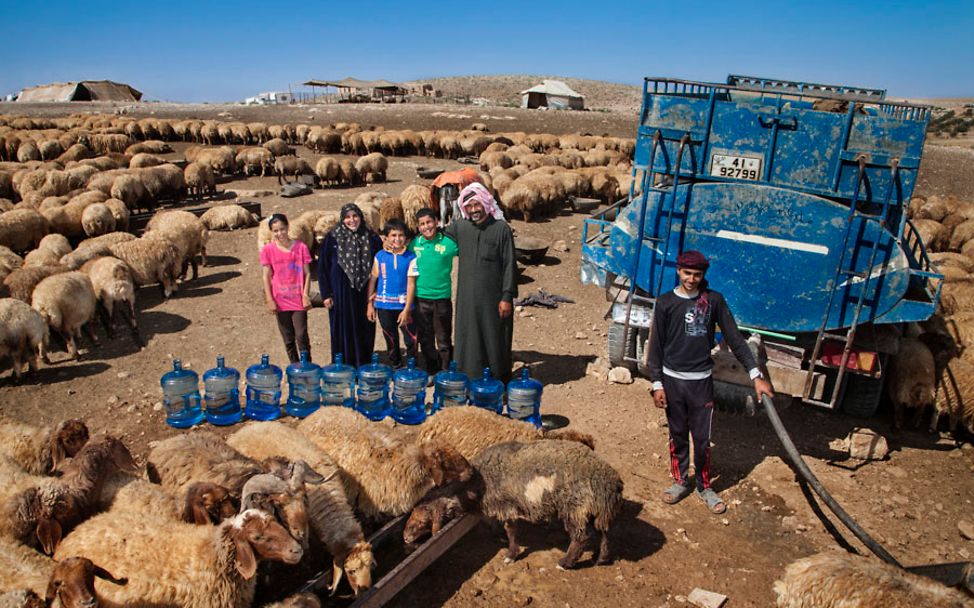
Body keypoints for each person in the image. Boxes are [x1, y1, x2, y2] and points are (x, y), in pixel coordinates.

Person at [647, 250, 774, 515]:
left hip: (701, 382)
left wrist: (756, 376)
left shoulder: (714, 301)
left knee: (702, 439)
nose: (692, 279)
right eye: (687, 273)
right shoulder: (666, 303)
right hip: (672, 382)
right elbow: (655, 348)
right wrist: (657, 384)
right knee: (678, 434)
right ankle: (681, 481)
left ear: (703, 275)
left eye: (697, 274)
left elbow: (736, 340)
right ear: (678, 271)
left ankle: (704, 487)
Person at [445, 182, 516, 383]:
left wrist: (507, 296)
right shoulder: (460, 227)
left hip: (494, 298)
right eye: (469, 207)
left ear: (485, 203)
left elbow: (510, 264)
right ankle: (469, 376)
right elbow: (436, 237)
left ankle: (497, 379)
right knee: (468, 337)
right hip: (467, 298)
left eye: (477, 205)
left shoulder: (501, 229)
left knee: (494, 337)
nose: (474, 210)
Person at [318, 203, 383, 367]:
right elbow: (323, 268)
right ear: (342, 219)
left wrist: (376, 293)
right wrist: (326, 294)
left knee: (364, 328)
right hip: (340, 293)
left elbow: (380, 264)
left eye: (355, 216)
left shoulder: (371, 238)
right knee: (342, 328)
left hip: (365, 293)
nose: (352, 220)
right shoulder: (332, 238)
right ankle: (343, 366)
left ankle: (363, 364)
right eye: (347, 217)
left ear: (361, 217)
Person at [409, 207, 459, 375]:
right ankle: (431, 369)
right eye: (422, 224)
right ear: (418, 227)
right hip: (420, 298)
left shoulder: (449, 244)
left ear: (436, 222)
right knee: (426, 338)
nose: (426, 227)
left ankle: (445, 371)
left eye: (429, 222)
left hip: (442, 298)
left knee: (443, 338)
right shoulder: (414, 244)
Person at [259, 213, 313, 363]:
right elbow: (266, 276)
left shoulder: (300, 247)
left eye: (282, 229)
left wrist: (305, 295)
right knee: (288, 337)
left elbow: (307, 273)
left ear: (288, 227)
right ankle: (295, 367)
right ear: (271, 232)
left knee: (301, 335)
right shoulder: (268, 250)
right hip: (280, 299)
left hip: (297, 298)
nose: (280, 233)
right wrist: (269, 299)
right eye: (276, 231)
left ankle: (306, 366)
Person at [367, 219, 419, 367]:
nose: (397, 239)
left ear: (406, 238)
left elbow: (411, 283)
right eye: (393, 235)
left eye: (401, 235)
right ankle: (395, 365)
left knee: (411, 339)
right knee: (390, 339)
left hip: (404, 307)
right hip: (384, 306)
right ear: (386, 238)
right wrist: (369, 304)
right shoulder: (380, 256)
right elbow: (373, 280)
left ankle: (411, 368)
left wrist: (407, 309)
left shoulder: (411, 257)